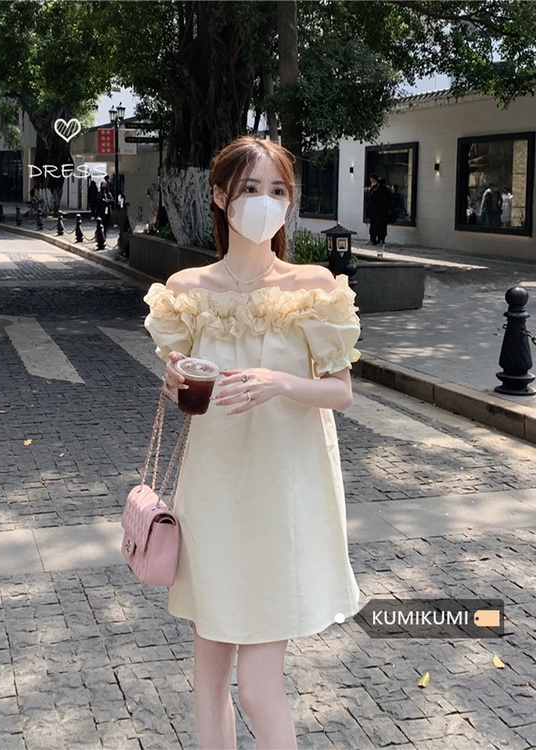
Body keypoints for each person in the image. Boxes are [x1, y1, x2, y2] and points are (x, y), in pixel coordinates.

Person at [143, 136, 361, 749]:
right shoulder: (187, 289)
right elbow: (182, 388)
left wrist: (280, 382)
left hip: (283, 493)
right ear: (220, 196)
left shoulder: (313, 287)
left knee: (259, 688)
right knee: (209, 677)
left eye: (277, 190)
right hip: (212, 488)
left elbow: (341, 393)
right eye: (250, 189)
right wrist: (176, 383)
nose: (265, 202)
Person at [364, 173, 393, 252]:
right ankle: (381, 240)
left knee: (374, 225)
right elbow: (390, 200)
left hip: (375, 211)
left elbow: (370, 197)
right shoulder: (387, 190)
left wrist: (369, 189)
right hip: (384, 211)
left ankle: (373, 239)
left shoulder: (376, 190)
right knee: (383, 226)